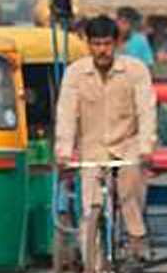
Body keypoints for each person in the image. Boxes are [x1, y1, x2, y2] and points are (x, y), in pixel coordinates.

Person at [57, 15, 156, 259]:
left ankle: (136, 235)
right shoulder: (75, 74)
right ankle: (93, 262)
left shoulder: (135, 70)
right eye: (96, 44)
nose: (102, 50)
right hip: (92, 148)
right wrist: (64, 151)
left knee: (128, 188)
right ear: (88, 44)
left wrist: (146, 148)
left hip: (128, 145)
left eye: (107, 44)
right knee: (90, 206)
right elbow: (67, 113)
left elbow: (146, 109)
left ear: (117, 43)